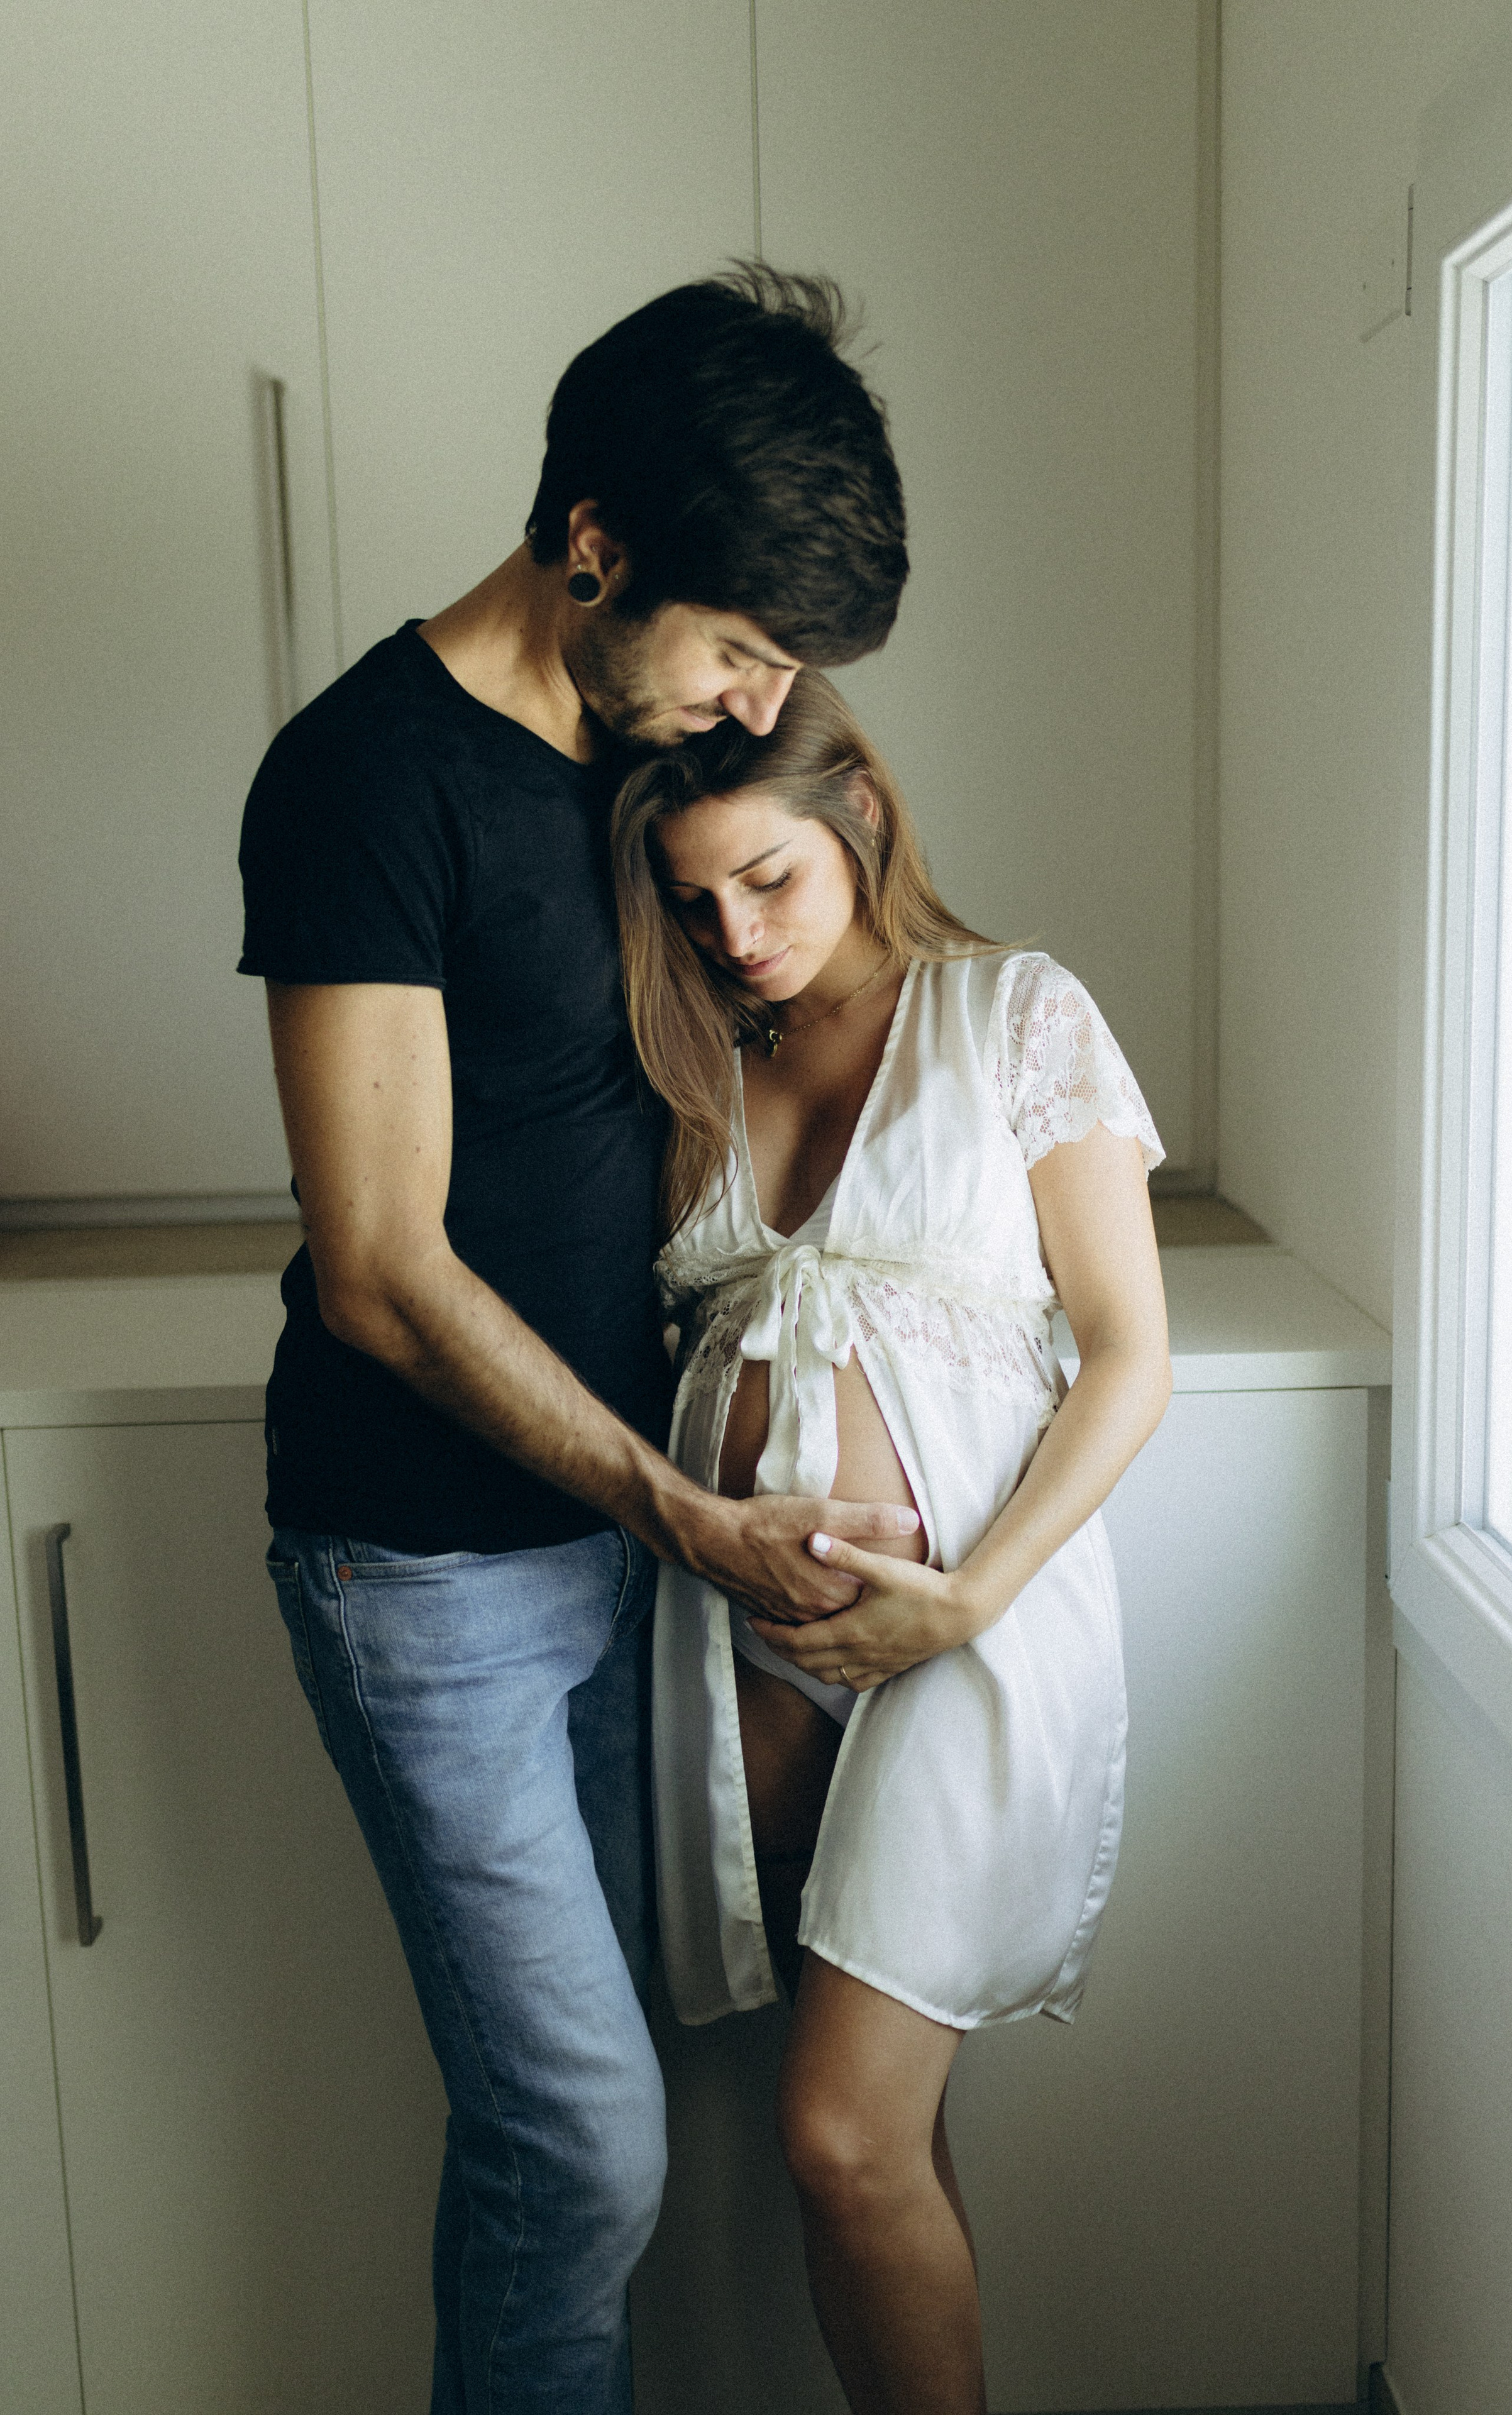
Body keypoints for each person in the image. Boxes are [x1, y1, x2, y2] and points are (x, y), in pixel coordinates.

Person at [236, 268, 919, 2415]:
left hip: (637, 1550)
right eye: (732, 644)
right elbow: (378, 1262)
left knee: (650, 2098)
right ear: (593, 538)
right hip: (428, 1566)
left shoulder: (657, 775)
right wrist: (677, 1507)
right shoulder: (362, 777)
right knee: (581, 2135)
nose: (746, 703)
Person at [611, 671, 1173, 2415]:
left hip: (970, 1629)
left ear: (859, 813)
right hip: (745, 1644)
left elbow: (1133, 1352)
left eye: (768, 877)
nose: (738, 930)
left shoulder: (1012, 1010)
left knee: (839, 2134)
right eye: (698, 900)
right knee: (871, 2138)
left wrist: (967, 1599)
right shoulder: (697, 1056)